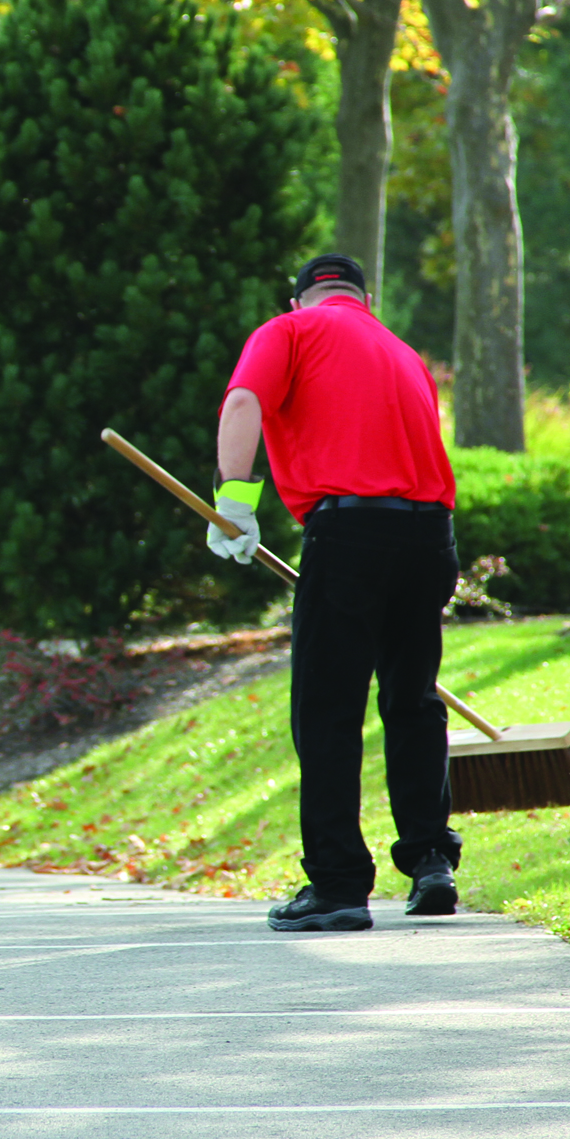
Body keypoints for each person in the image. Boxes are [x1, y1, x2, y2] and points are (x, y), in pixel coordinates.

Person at [210, 253, 462, 933]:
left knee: (328, 709)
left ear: (301, 299)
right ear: (364, 297)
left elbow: (243, 402)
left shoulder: (289, 331)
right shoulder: (403, 352)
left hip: (349, 533)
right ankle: (431, 860)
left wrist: (235, 498)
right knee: (413, 701)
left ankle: (339, 885)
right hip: (431, 536)